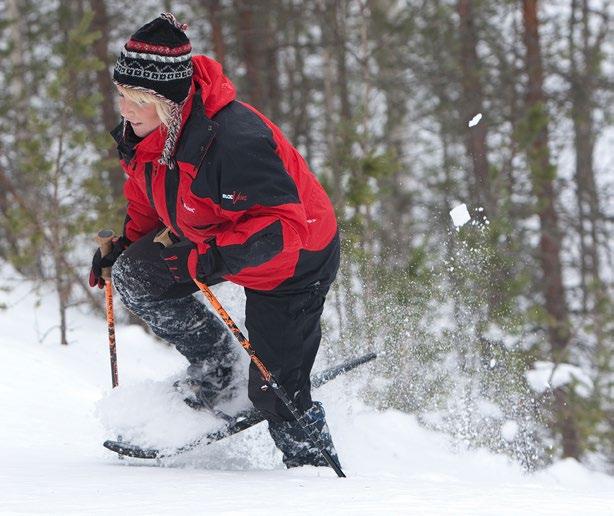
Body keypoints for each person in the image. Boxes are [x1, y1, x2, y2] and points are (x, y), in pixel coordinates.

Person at [88, 13, 341, 469]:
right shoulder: (146, 133)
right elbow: (147, 197)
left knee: (276, 392)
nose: (124, 108)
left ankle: (314, 476)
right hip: (211, 239)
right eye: (122, 94)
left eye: (137, 99)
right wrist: (127, 243)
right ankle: (218, 369)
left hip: (292, 263)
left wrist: (209, 259)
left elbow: (284, 228)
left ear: (168, 101)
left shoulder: (234, 142)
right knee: (134, 276)